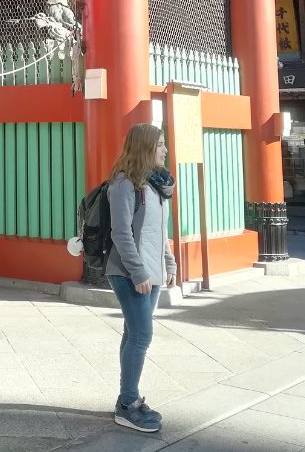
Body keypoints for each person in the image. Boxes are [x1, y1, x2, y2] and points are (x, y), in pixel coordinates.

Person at [106, 123, 177, 434]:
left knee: (133, 332)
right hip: (128, 272)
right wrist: (138, 272)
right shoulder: (124, 184)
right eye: (159, 144)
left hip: (152, 272)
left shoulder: (156, 186)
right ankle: (128, 403)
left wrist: (169, 263)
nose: (164, 150)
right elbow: (121, 233)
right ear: (145, 147)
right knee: (141, 335)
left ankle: (128, 399)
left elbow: (158, 233)